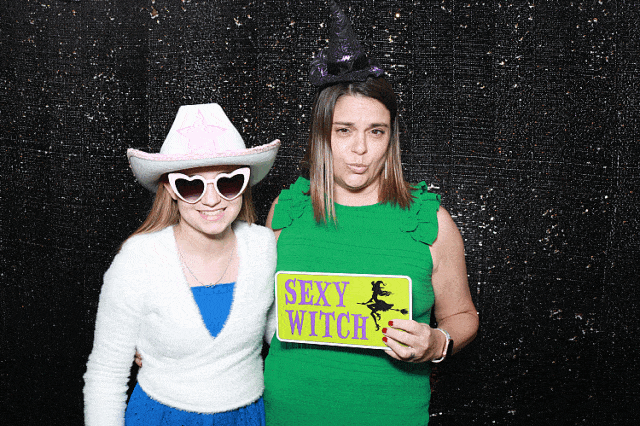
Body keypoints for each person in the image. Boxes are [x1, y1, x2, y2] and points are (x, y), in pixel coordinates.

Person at [262, 2, 478, 425]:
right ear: (322, 135)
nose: (360, 149)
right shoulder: (286, 211)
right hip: (288, 412)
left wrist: (437, 343)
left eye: (375, 132)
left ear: (390, 137)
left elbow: (462, 316)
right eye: (344, 131)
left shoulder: (429, 222)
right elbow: (245, 308)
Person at [83, 103, 280, 426]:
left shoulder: (263, 247)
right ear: (170, 190)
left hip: (245, 417)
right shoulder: (139, 259)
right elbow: (106, 372)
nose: (212, 200)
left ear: (244, 184)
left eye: (228, 182)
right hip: (160, 417)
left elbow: (281, 332)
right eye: (191, 185)